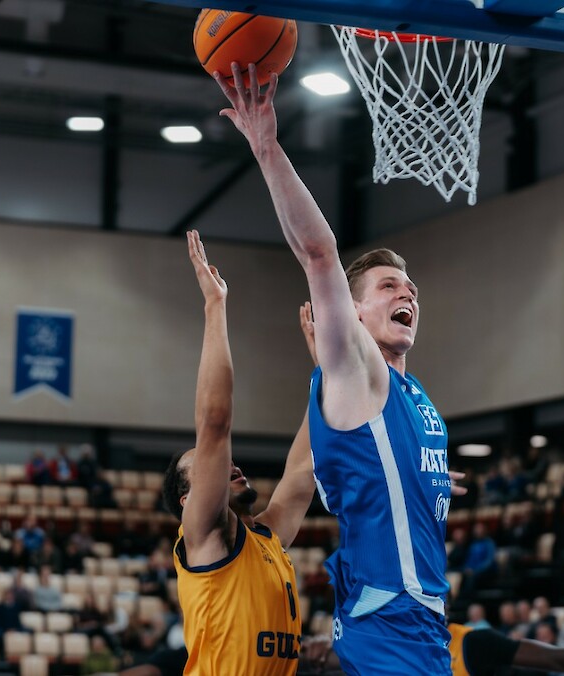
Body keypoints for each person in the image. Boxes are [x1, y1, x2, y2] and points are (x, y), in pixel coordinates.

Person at [214, 61, 465, 675]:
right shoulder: (361, 371)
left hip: (422, 626)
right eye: (388, 286)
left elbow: (345, 471)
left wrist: (425, 476)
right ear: (352, 313)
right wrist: (268, 149)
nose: (406, 294)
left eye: (411, 289)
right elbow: (319, 254)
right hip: (387, 627)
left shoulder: (414, 395)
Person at [161, 232, 317, 675]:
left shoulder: (266, 537)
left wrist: (325, 375)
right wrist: (215, 306)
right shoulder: (204, 535)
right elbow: (215, 423)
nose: (226, 463)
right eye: (204, 466)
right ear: (188, 501)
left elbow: (305, 467)